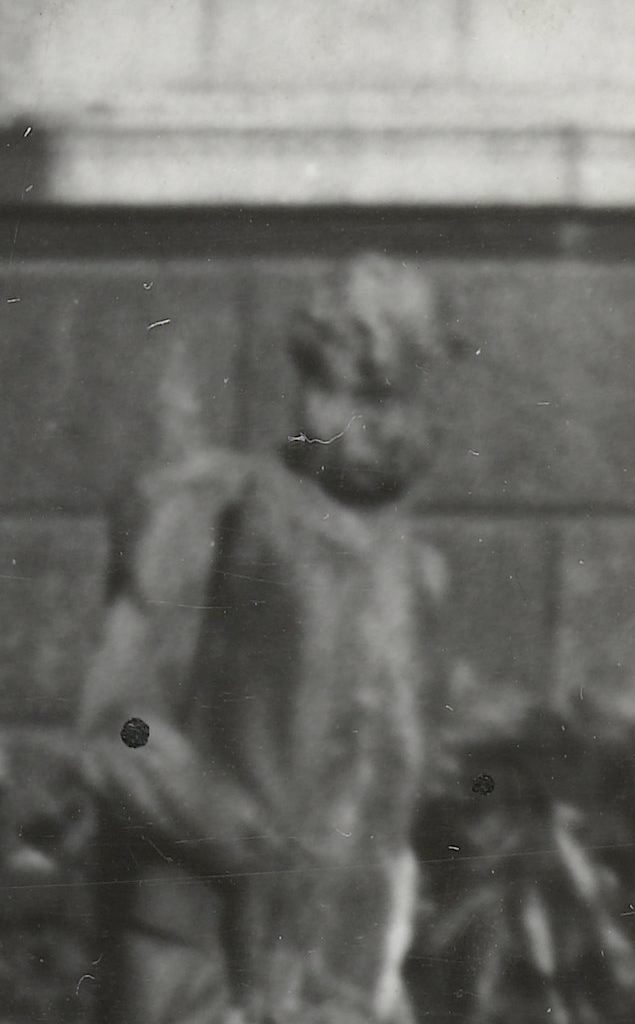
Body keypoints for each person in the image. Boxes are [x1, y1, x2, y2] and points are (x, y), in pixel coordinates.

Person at [78, 255, 453, 1024]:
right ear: (314, 377)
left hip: (347, 989)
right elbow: (121, 727)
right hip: (207, 974)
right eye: (360, 389)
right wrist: (245, 842)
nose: (383, 424)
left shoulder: (418, 571)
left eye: (399, 394)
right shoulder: (216, 509)